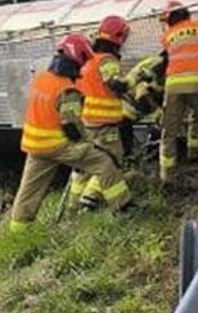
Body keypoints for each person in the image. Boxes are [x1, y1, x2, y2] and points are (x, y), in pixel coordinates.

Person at [8, 33, 131, 232]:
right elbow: (72, 127)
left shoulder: (41, 78)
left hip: (35, 146)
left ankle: (18, 232)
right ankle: (123, 206)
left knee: (29, 191)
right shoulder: (67, 90)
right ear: (76, 60)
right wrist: (89, 143)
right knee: (104, 162)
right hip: (58, 145)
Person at [71, 15, 133, 210]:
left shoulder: (87, 61)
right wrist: (133, 80)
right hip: (105, 123)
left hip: (86, 121)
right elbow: (116, 85)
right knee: (110, 162)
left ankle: (74, 203)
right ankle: (90, 200)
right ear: (119, 37)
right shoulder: (107, 60)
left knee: (84, 165)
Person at [157, 3, 198, 185]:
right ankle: (194, 155)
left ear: (172, 18)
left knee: (169, 128)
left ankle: (167, 172)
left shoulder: (167, 35)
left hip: (174, 85)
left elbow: (164, 59)